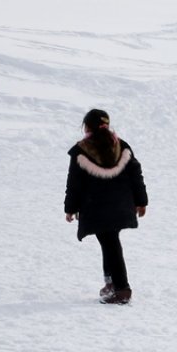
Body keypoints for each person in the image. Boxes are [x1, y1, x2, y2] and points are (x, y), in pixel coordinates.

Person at [64, 109, 148, 305]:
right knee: (109, 242)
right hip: (120, 206)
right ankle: (111, 284)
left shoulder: (81, 150)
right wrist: (141, 201)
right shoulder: (122, 146)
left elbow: (74, 183)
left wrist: (70, 208)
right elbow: (136, 175)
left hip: (96, 207)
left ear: (87, 127)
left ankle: (122, 289)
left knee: (110, 244)